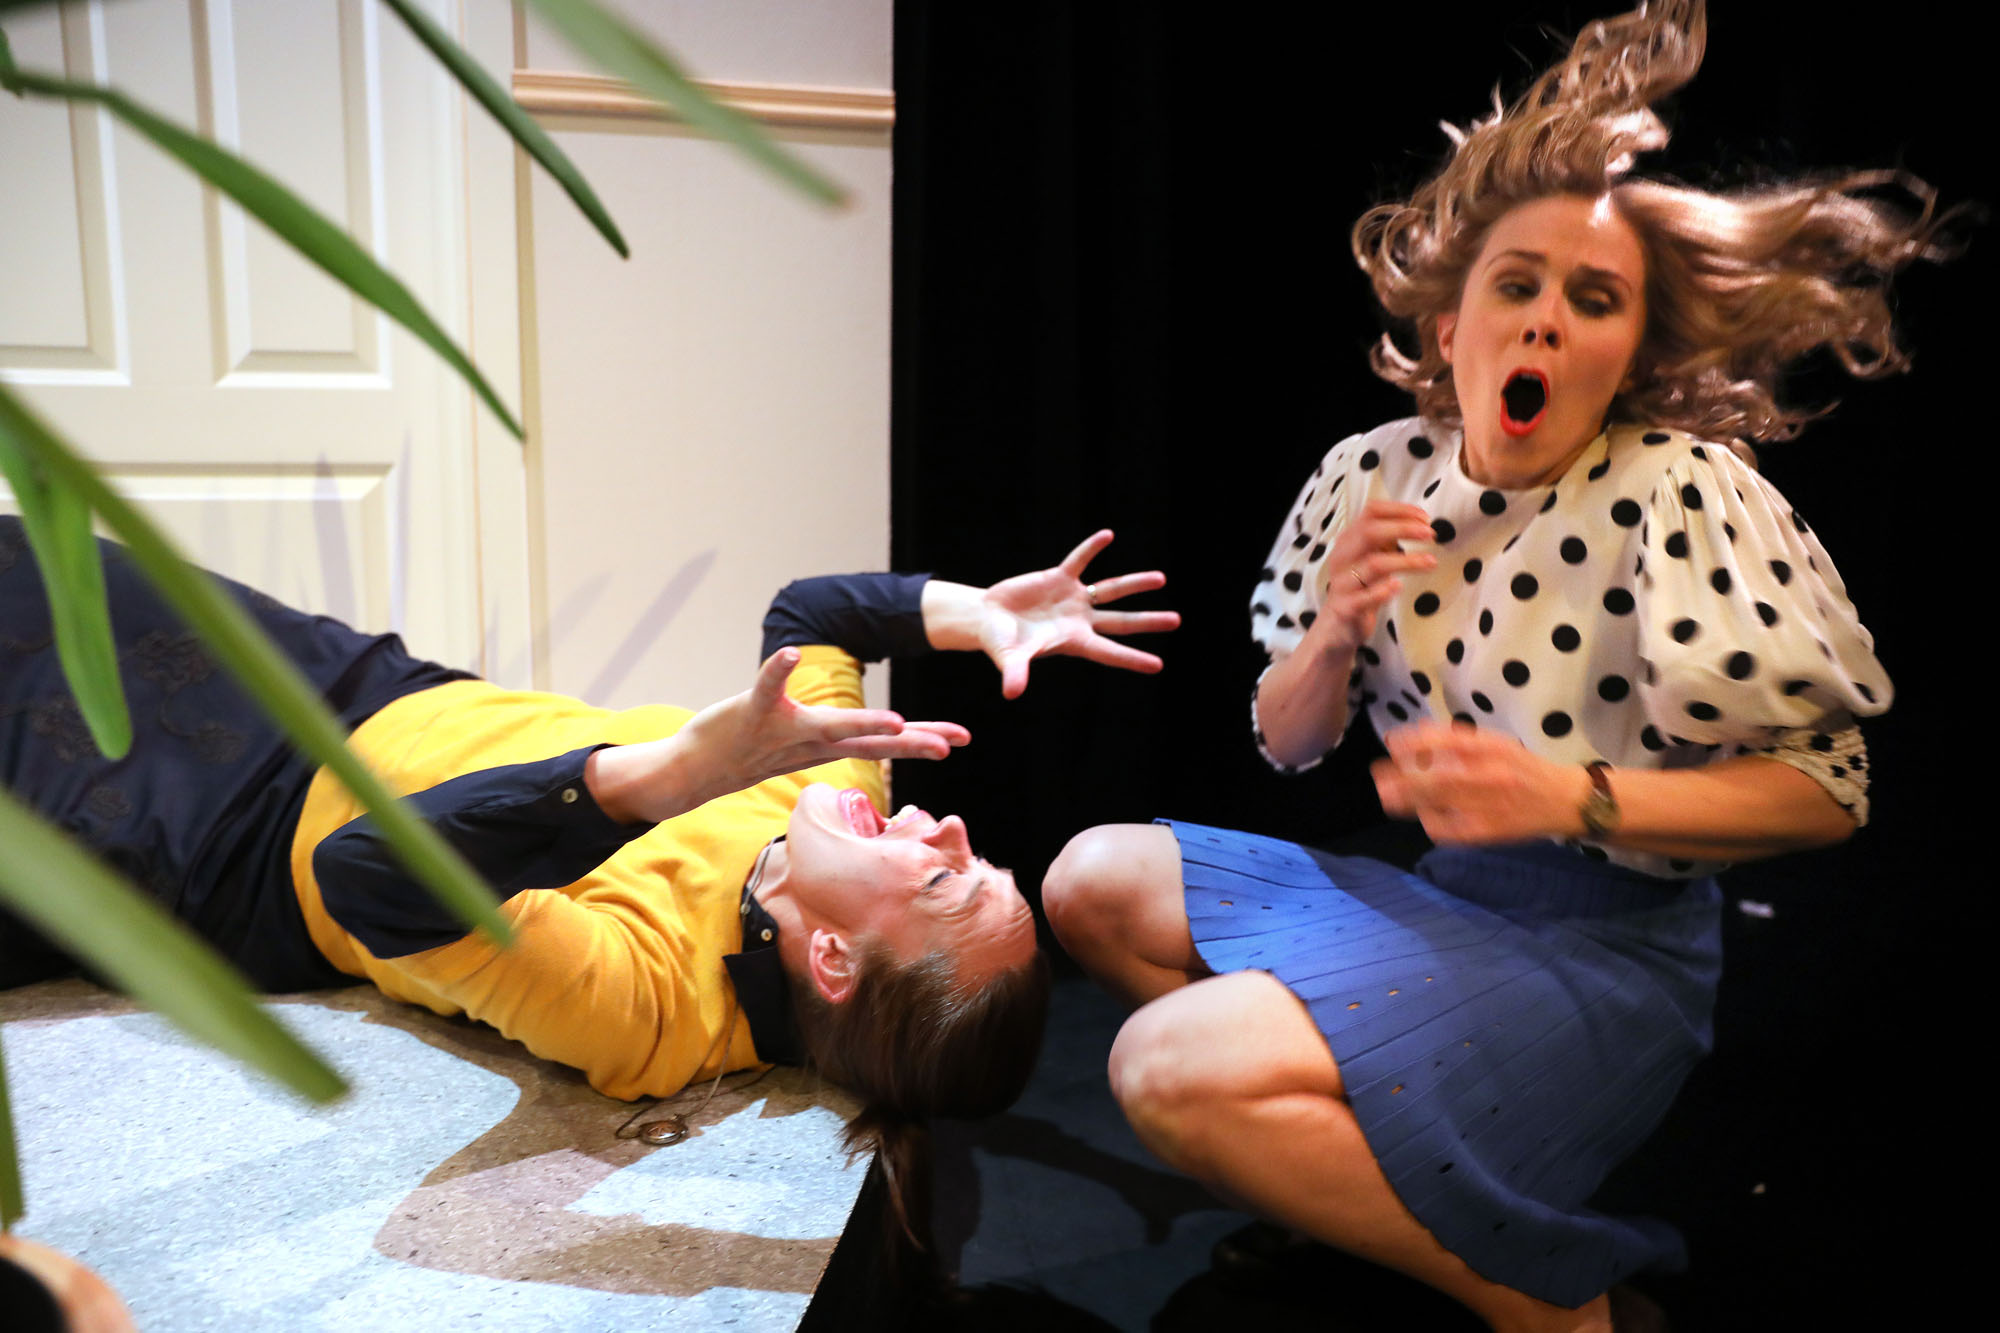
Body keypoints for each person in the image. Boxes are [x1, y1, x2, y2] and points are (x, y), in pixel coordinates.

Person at [1040, 3, 1963, 1330]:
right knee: (1091, 880)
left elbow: (1829, 793)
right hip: (1444, 907)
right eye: (1515, 285)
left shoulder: (1680, 492)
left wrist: (1567, 795)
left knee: (1167, 1068)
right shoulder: (1370, 473)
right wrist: (1335, 629)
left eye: (1593, 301)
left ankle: (1545, 1303)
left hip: (1608, 959)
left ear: (1628, 354)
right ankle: (1349, 1171)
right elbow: (1288, 742)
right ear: (1448, 322)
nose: (1543, 325)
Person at [0, 518, 1178, 1255]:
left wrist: (662, 777)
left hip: (220, 838)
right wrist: (970, 611)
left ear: (830, 956)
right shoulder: (830, 796)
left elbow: (363, 877)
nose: (952, 826)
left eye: (945, 880)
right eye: (978, 857)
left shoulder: (648, 1006)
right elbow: (810, 616)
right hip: (357, 686)